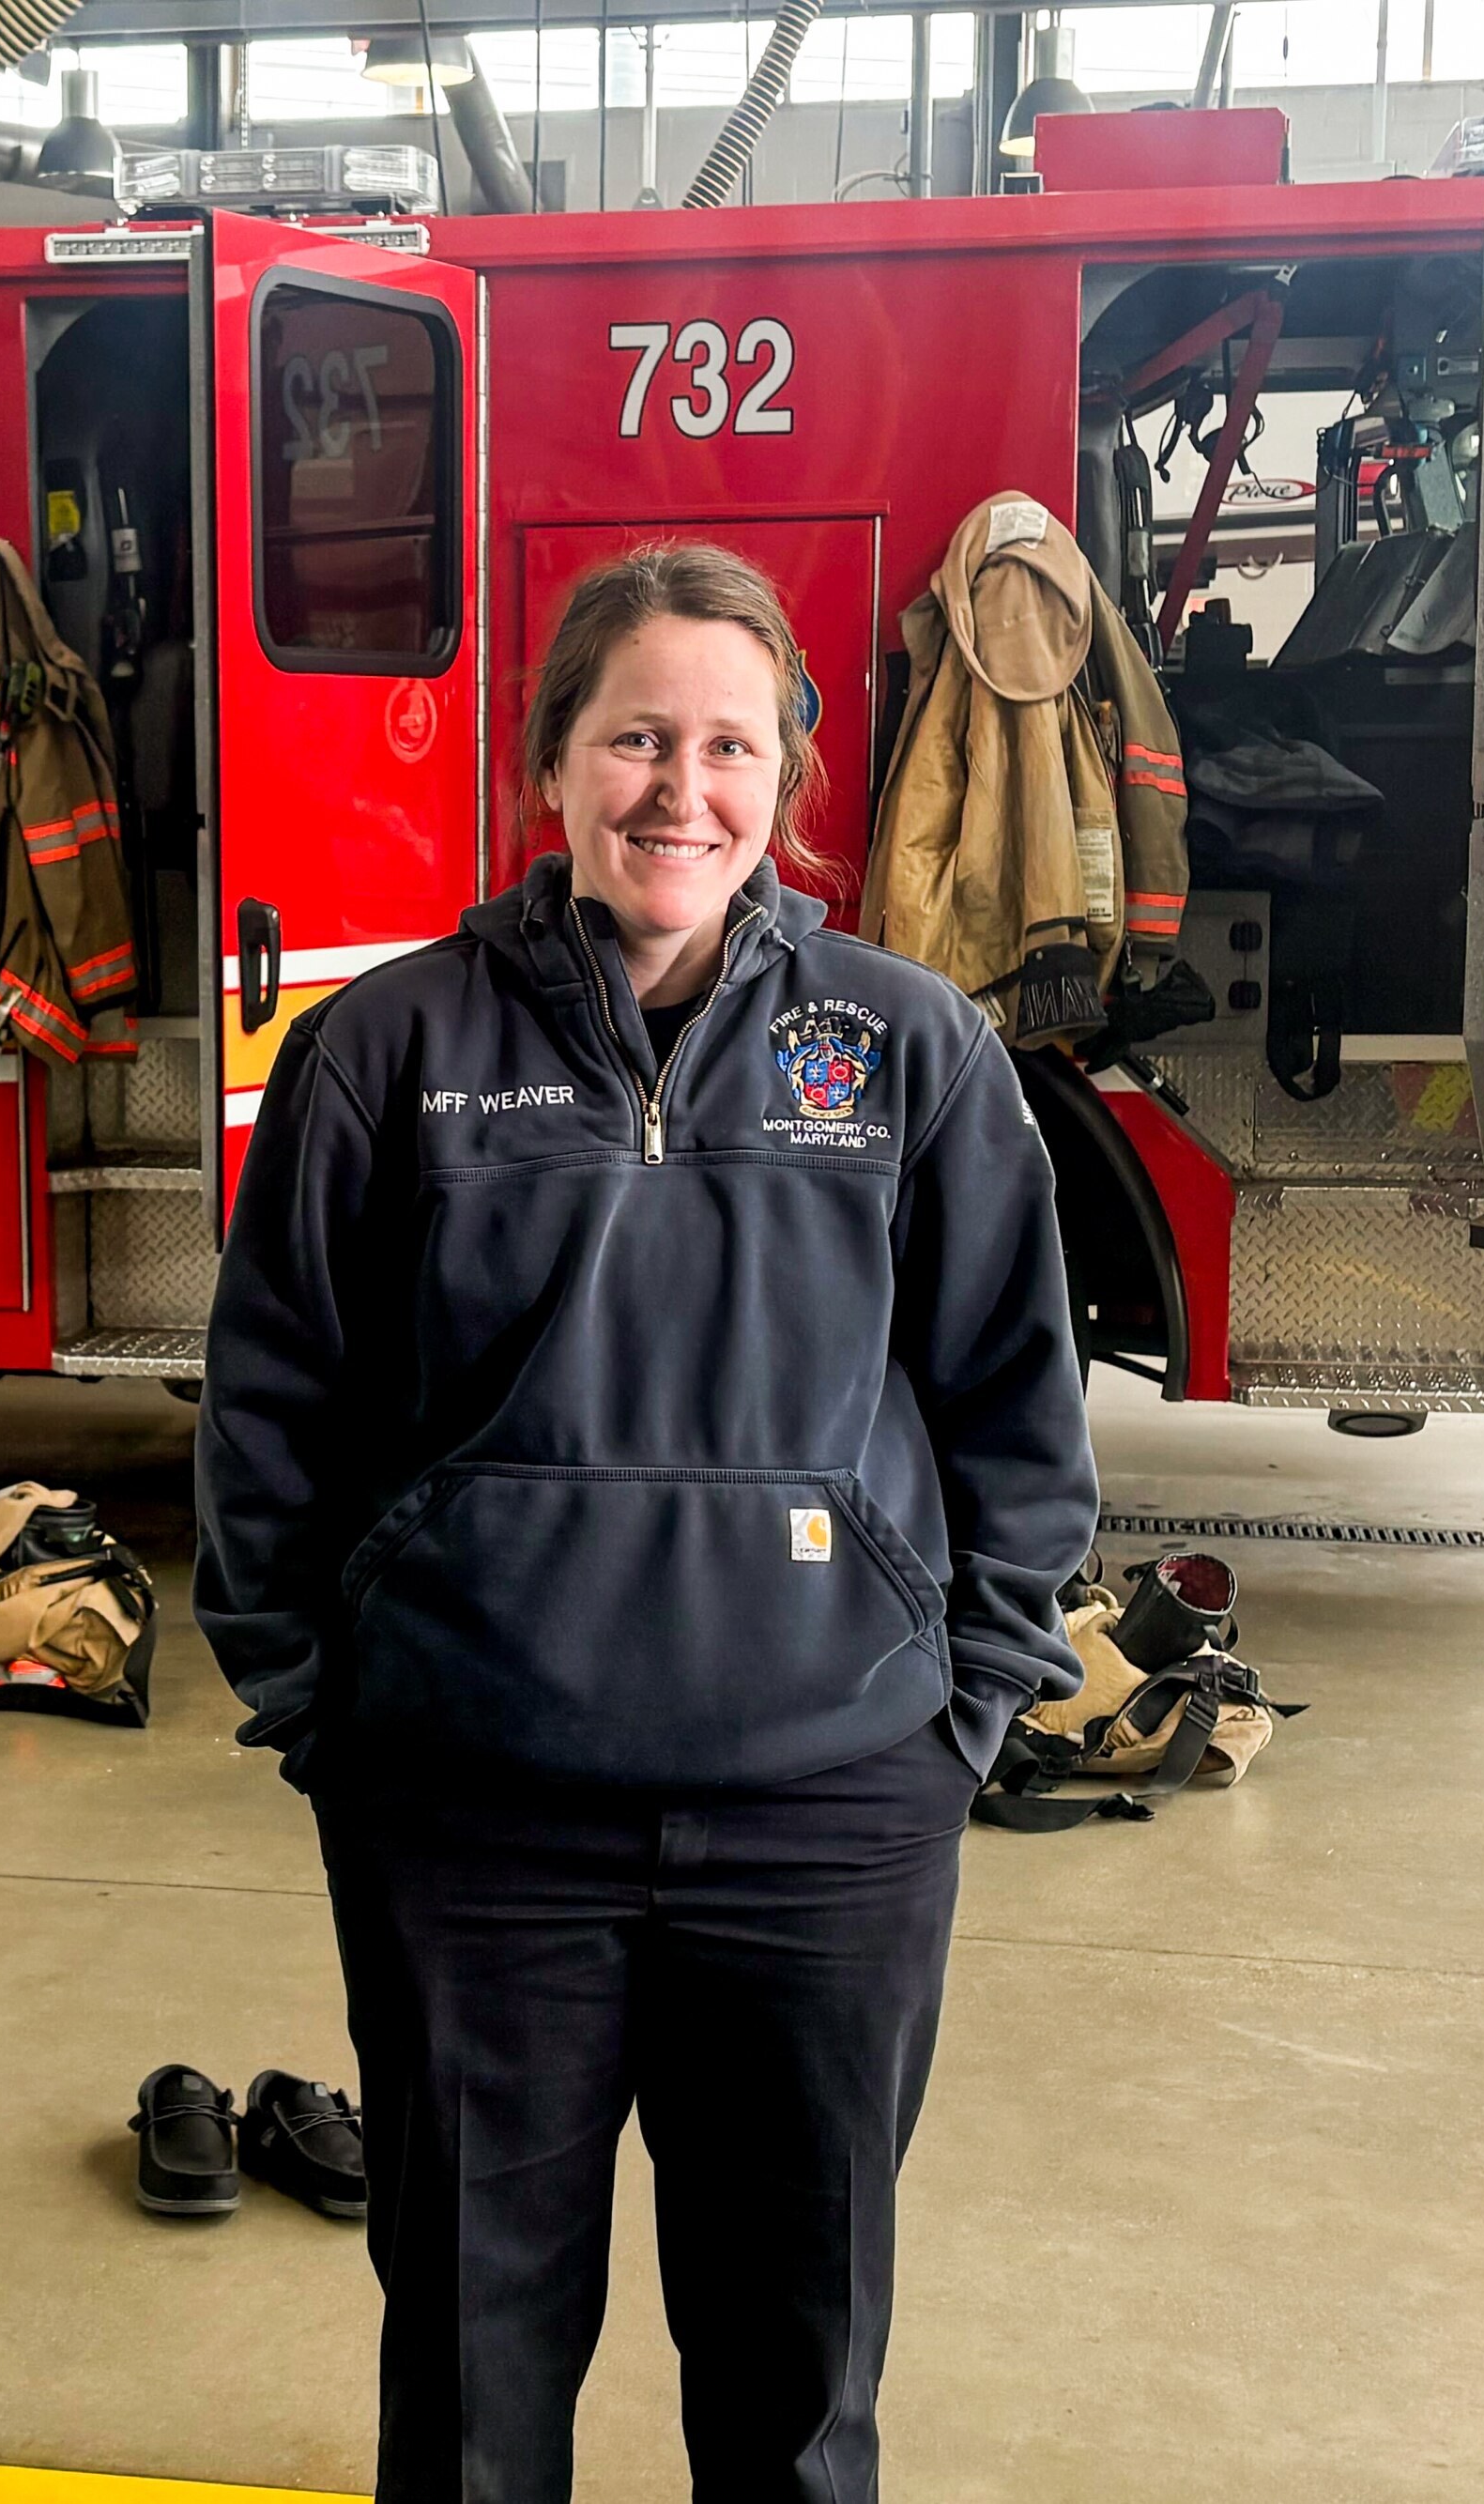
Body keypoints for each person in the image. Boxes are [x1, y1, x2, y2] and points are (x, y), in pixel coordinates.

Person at [193, 542, 1099, 2503]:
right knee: (467, 2361)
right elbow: (268, 1411)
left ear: (784, 779)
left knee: (791, 2367)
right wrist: (319, 1710)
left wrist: (957, 1719)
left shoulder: (905, 1048)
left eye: (722, 743)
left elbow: (1015, 1409)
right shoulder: (387, 1051)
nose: (672, 789)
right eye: (629, 738)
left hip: (830, 1813)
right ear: (548, 769)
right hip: (469, 1815)